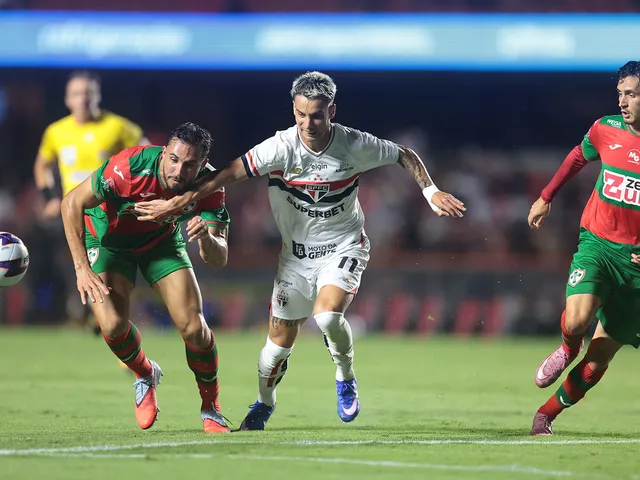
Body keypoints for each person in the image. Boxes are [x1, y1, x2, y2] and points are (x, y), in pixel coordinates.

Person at [134, 71, 465, 430]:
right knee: (274, 350)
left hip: (343, 247)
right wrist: (178, 202)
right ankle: (264, 403)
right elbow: (227, 174)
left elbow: (404, 154)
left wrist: (430, 191)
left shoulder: (354, 144)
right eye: (301, 114)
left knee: (327, 316)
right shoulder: (279, 148)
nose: (308, 123)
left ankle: (345, 377)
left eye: (317, 115)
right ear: (293, 109)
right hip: (294, 259)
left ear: (332, 111)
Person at [60, 122, 231, 433]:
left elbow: (219, 259)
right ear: (164, 153)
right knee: (111, 325)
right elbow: (71, 202)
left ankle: (211, 407)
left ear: (202, 165)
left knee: (195, 328)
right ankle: (145, 373)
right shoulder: (129, 167)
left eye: (190, 164)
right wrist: (82, 268)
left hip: (160, 242)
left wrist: (206, 238)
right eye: (174, 159)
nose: (179, 171)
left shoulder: (210, 185)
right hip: (108, 240)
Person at [528, 61, 640, 435]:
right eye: (620, 94)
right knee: (576, 321)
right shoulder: (606, 129)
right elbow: (578, 155)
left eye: (631, 94)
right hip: (599, 246)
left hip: (637, 270)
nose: (622, 102)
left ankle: (545, 415)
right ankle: (566, 348)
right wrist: (546, 196)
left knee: (599, 359)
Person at [34, 70, 146, 331]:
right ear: (67, 99)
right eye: (76, 93)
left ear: (98, 96)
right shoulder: (56, 132)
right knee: (71, 264)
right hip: (73, 213)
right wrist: (49, 198)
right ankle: (80, 308)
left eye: (88, 93)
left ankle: (101, 314)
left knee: (107, 269)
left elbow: (148, 155)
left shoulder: (118, 127)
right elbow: (42, 165)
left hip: (110, 213)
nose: (82, 98)